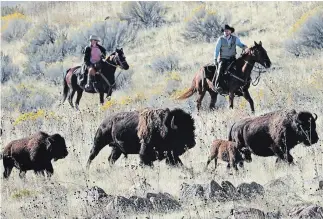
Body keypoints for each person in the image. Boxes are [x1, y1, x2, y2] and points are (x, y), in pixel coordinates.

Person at [214, 24, 249, 92]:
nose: (226, 32)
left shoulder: (235, 39)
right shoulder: (220, 39)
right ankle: (217, 85)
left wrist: (246, 48)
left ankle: (241, 84)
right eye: (225, 31)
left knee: (240, 68)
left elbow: (240, 45)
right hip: (223, 59)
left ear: (230, 31)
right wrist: (215, 59)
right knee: (220, 70)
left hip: (232, 59)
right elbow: (216, 50)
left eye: (227, 31)